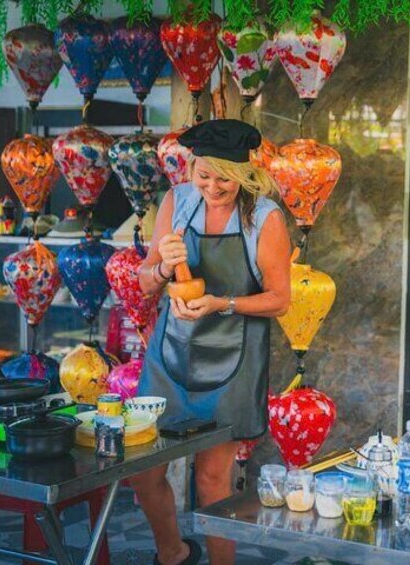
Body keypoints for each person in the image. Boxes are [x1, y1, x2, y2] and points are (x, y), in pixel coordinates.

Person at [130, 119, 291, 565]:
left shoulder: (264, 217)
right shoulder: (177, 202)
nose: (214, 186)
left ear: (243, 173)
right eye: (204, 174)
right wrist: (164, 269)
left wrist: (222, 302)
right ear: (192, 167)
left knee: (213, 479)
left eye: (225, 177)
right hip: (170, 353)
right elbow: (145, 281)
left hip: (233, 357)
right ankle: (174, 554)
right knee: (143, 473)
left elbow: (280, 300)